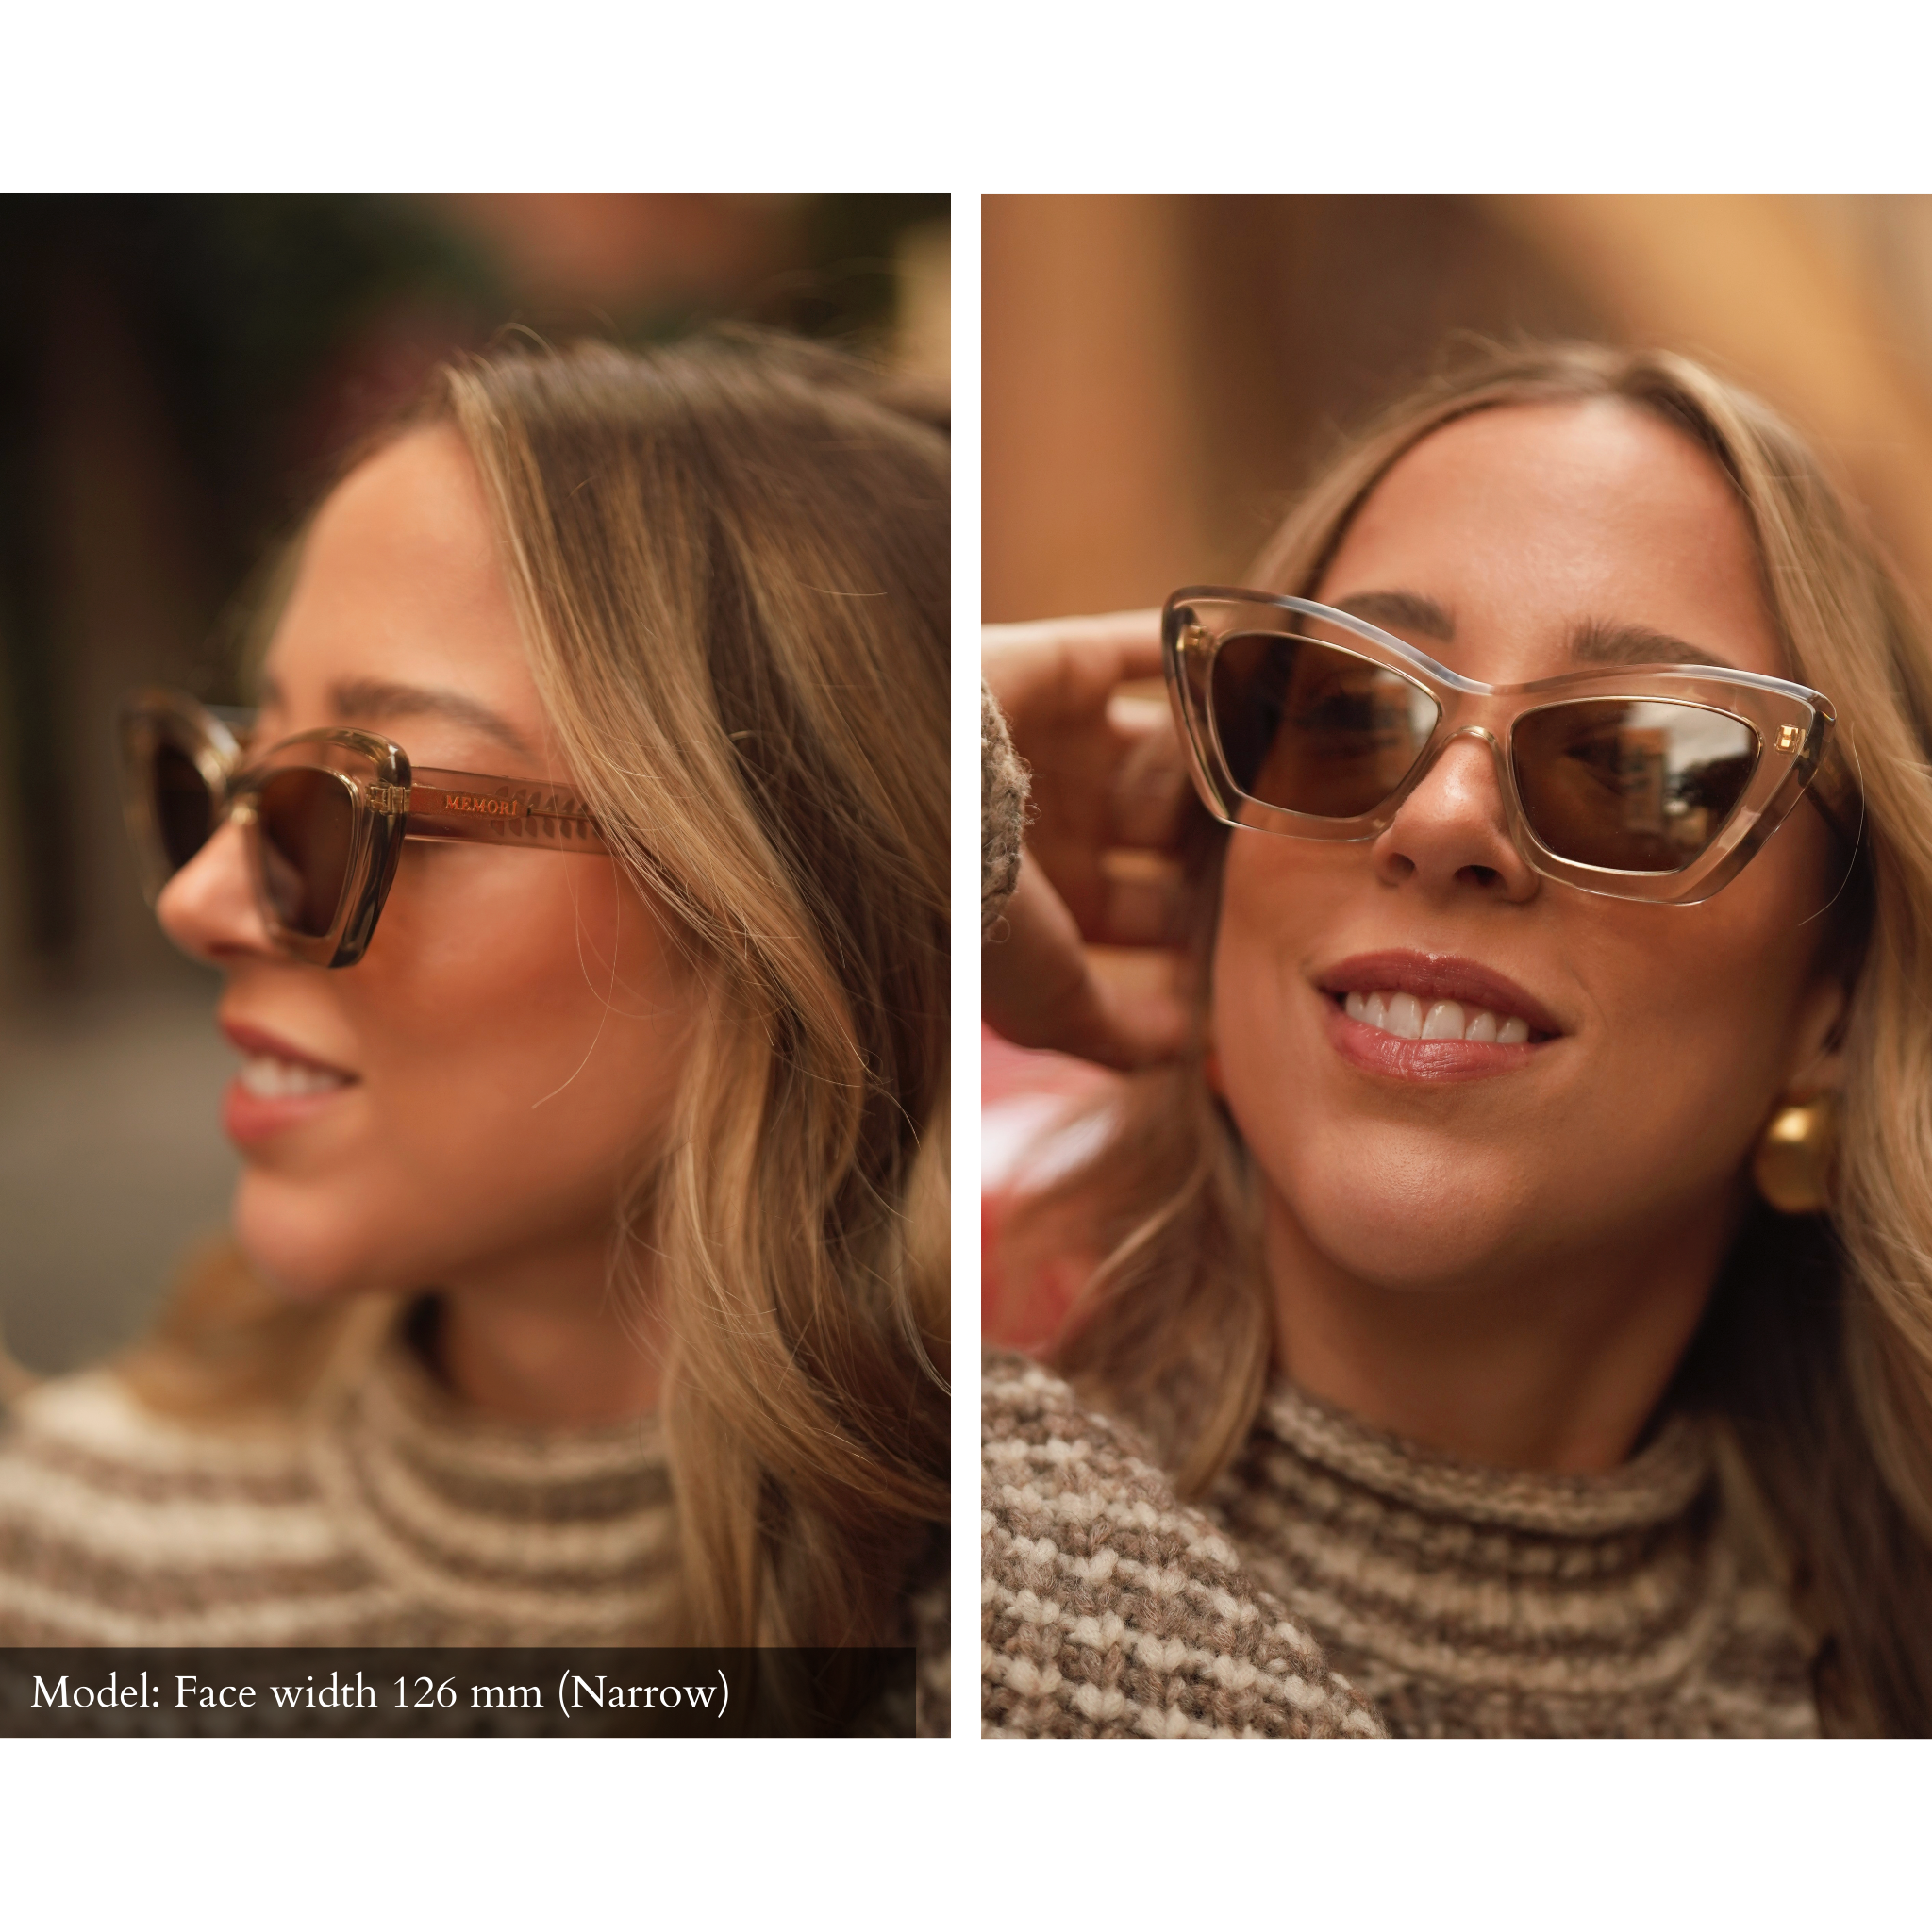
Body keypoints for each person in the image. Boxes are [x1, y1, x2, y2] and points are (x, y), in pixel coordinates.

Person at [0, 332, 950, 1737]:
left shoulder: (1052, 1611)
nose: (195, 900)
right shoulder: (69, 1573)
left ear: (775, 891)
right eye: (225, 780)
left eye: (344, 803)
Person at [980, 340, 1932, 1740]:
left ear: (1832, 1007)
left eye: (1635, 764)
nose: (1438, 823)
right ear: (1216, 890)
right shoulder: (895, 1521)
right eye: (1347, 716)